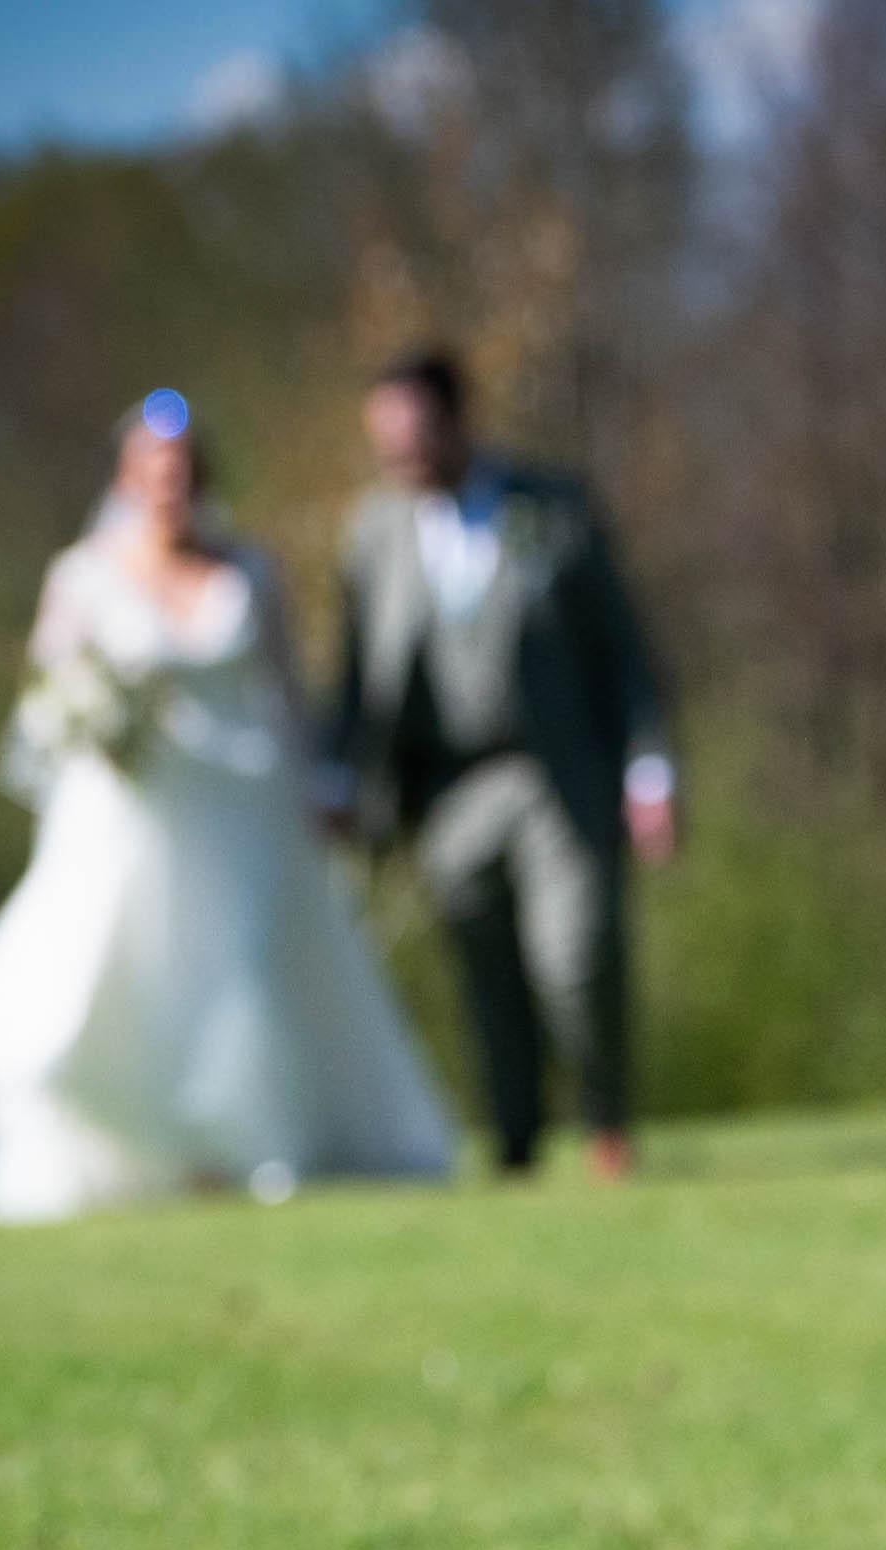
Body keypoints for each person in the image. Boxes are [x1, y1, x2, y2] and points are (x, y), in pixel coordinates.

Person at [0, 390, 455, 1222]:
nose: (170, 483)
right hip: (135, 816)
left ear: (201, 475)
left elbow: (287, 693)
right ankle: (157, 1151)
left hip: (244, 806)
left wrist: (324, 785)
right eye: (153, 468)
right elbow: (44, 700)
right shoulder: (82, 574)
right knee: (132, 975)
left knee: (245, 969)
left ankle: (255, 1142)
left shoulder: (249, 571)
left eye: (183, 468)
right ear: (128, 477)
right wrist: (91, 725)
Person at [327, 347, 675, 1180]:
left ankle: (605, 1121)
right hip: (447, 789)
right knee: (487, 982)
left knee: (574, 955)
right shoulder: (373, 534)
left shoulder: (552, 508)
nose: (402, 457)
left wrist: (651, 769)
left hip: (559, 775)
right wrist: (338, 777)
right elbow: (351, 677)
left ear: (457, 420)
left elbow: (624, 651)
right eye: (387, 445)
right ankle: (516, 1145)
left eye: (414, 437)